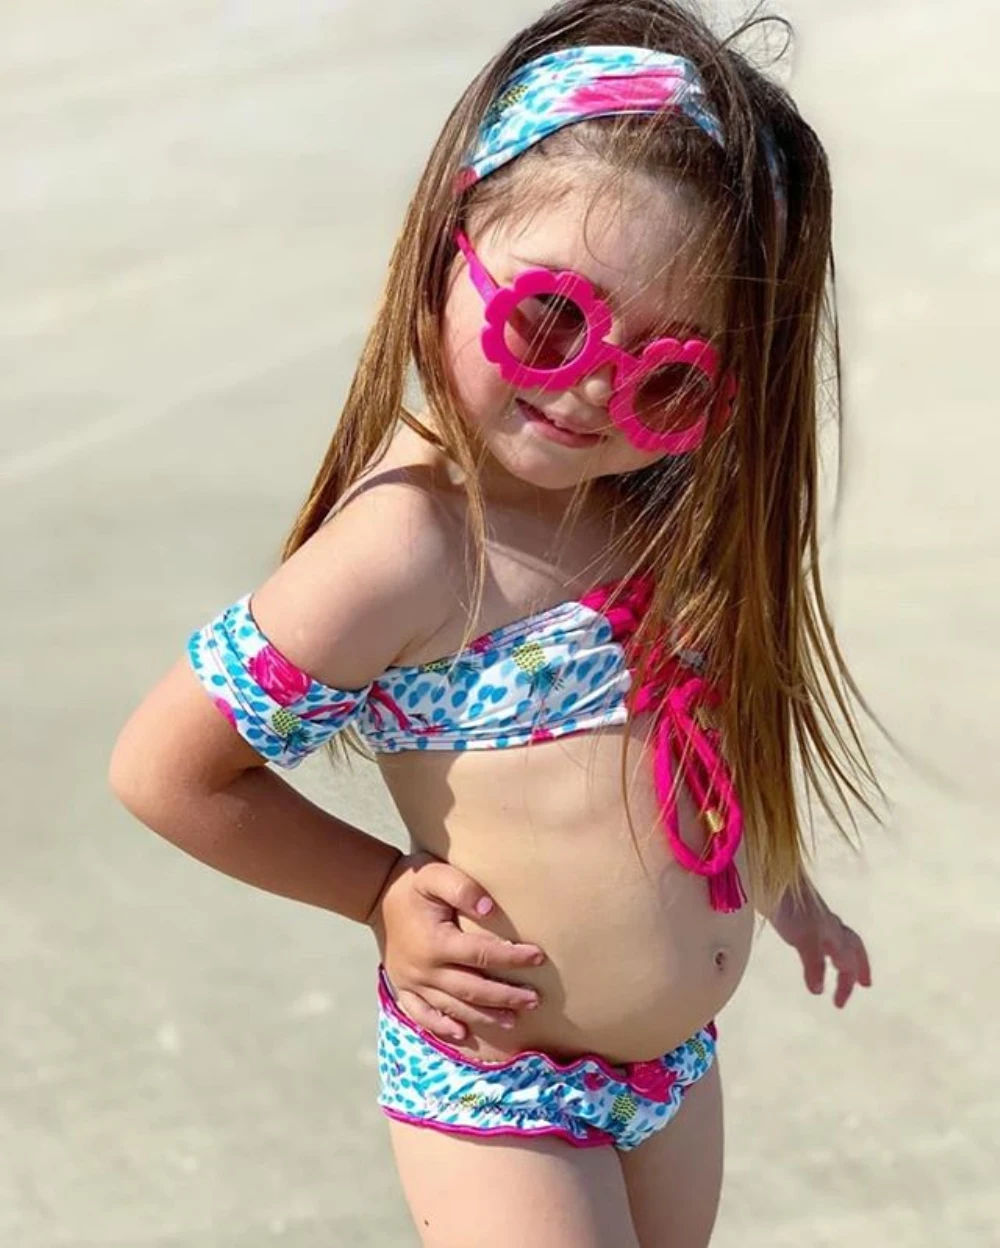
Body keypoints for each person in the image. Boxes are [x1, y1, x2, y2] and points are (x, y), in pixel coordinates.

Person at [109, 2, 879, 1243]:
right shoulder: (411, 545)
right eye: (552, 318)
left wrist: (783, 890)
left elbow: (697, 742)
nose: (593, 389)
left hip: (671, 1072)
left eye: (669, 376)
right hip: (497, 1078)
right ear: (444, 250)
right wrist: (378, 892)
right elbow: (166, 771)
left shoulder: (645, 507)